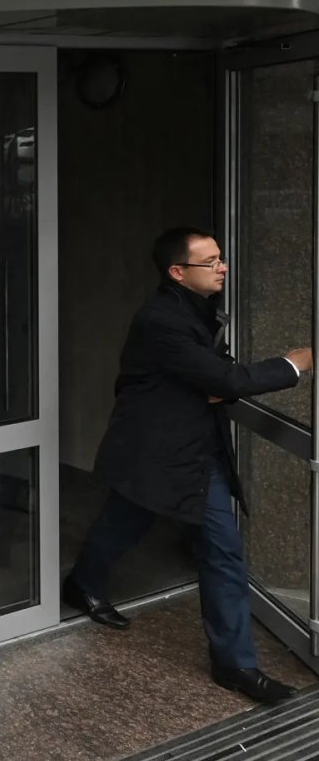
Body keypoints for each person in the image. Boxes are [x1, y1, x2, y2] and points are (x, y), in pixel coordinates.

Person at [63, 226, 313, 703]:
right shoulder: (161, 319)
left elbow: (218, 377)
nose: (223, 267)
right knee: (126, 523)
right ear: (178, 272)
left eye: (221, 258)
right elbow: (223, 380)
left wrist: (218, 381)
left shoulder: (196, 309)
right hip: (154, 450)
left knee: (220, 550)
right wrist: (294, 363)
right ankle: (83, 584)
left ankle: (235, 666)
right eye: (211, 261)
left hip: (193, 449)